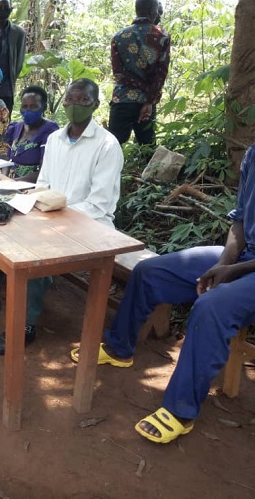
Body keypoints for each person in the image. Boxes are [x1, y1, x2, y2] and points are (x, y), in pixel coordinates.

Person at [71, 145, 255, 444]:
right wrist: (224, 263)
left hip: (247, 267)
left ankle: (181, 410)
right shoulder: (253, 154)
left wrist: (231, 271)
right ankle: (120, 348)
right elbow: (240, 221)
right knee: (150, 271)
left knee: (212, 306)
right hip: (244, 256)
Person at [0, 78, 124, 354]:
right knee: (1, 224)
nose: (75, 106)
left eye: (82, 100)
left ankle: (25, 324)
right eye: (70, 100)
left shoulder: (107, 145)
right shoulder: (55, 139)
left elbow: (99, 204)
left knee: (35, 253)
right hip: (50, 214)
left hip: (89, 224)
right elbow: (44, 184)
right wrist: (32, 205)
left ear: (95, 105)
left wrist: (51, 215)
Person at [109, 0, 171, 146]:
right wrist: (149, 100)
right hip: (147, 102)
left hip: (122, 99)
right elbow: (161, 73)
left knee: (112, 146)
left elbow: (118, 73)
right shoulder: (162, 36)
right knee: (147, 148)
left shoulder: (119, 36)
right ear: (152, 11)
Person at [4, 85, 60, 182]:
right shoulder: (15, 128)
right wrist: (3, 181)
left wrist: (13, 183)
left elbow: (45, 171)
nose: (28, 111)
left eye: (33, 107)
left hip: (34, 187)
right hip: (10, 184)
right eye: (24, 107)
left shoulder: (49, 131)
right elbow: (7, 161)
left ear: (44, 107)